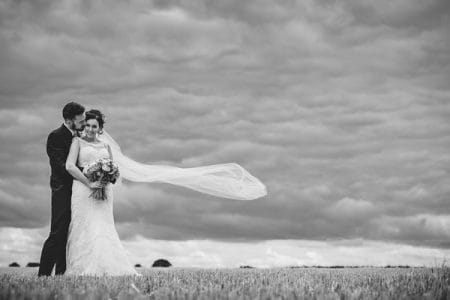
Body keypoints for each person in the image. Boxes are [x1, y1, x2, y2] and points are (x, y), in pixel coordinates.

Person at [63, 108, 267, 276]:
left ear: (100, 129)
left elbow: (114, 169)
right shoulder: (77, 142)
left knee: (104, 227)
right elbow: (70, 166)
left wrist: (107, 178)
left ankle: (107, 267)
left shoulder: (106, 146)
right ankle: (83, 268)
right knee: (86, 226)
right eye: (88, 125)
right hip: (83, 189)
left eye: (94, 126)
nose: (90, 129)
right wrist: (90, 182)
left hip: (104, 190)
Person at [38, 102, 94, 276]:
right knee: (58, 232)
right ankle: (43, 274)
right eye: (81, 119)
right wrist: (88, 173)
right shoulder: (55, 136)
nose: (84, 122)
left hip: (79, 192)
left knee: (70, 234)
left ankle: (62, 273)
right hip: (62, 191)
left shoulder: (81, 138)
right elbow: (62, 166)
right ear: (69, 120)